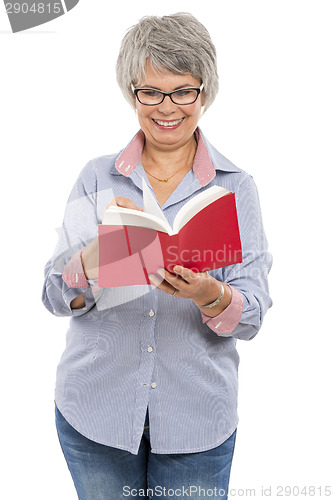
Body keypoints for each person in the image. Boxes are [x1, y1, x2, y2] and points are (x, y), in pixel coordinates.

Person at [42, 12, 272, 500]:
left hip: (197, 424)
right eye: (151, 91)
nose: (167, 106)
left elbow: (252, 315)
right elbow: (53, 295)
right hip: (94, 416)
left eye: (183, 90)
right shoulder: (97, 177)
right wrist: (92, 259)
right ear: (132, 93)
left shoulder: (236, 188)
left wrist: (212, 295)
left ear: (204, 92)